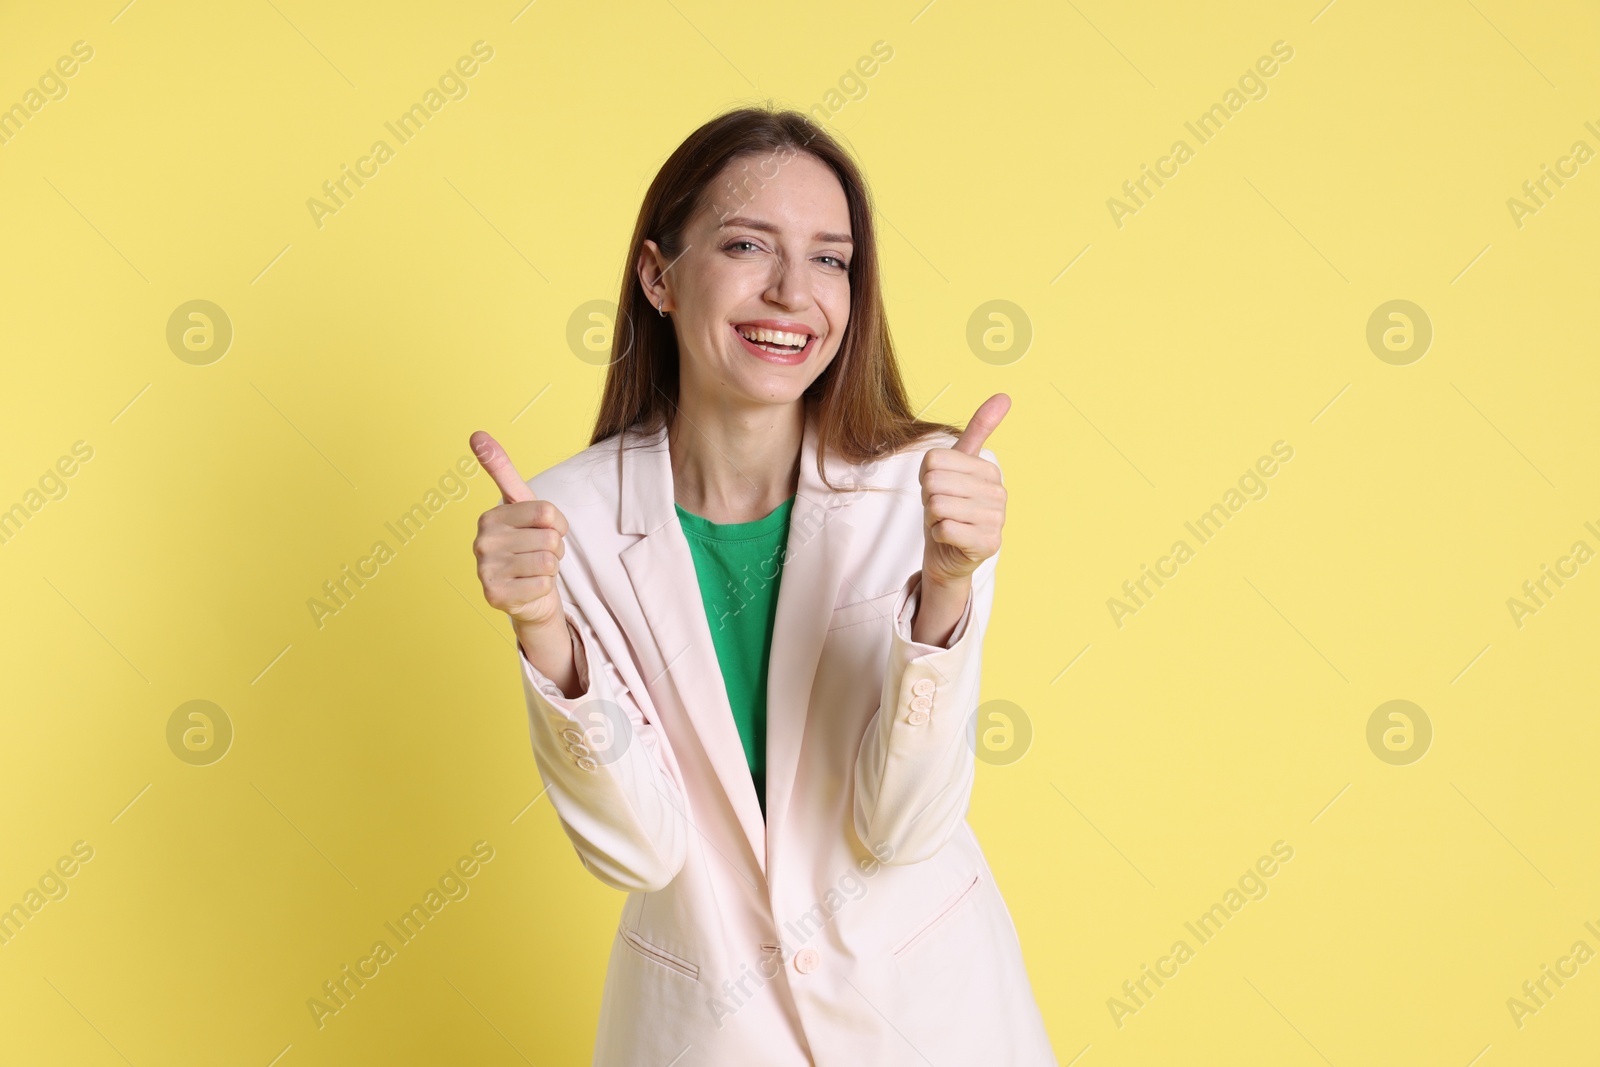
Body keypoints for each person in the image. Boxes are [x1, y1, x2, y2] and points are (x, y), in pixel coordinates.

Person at [469, 106, 1056, 1065]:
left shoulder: (926, 486)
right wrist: (545, 632)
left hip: (932, 1021)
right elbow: (637, 850)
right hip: (706, 1032)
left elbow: (902, 825)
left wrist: (945, 591)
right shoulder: (564, 519)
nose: (793, 293)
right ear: (658, 274)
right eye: (748, 245)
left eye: (830, 259)